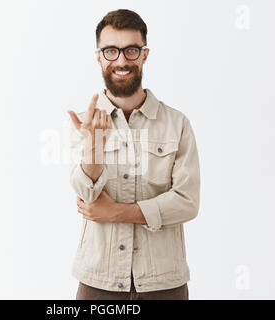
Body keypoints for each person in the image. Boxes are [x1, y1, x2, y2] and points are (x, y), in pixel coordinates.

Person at [67, 9, 200, 300]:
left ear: (144, 54)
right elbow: (86, 198)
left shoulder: (177, 124)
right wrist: (93, 146)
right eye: (111, 51)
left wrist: (117, 212)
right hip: (98, 281)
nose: (122, 61)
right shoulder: (82, 122)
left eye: (131, 50)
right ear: (99, 56)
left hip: (164, 283)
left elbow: (187, 202)